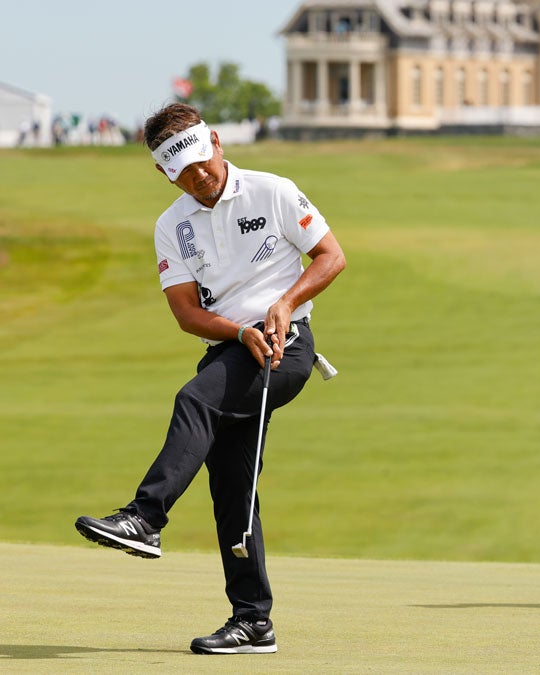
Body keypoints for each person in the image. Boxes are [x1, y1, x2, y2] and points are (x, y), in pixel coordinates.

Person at [74, 103, 346, 654]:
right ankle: (253, 622)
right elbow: (185, 313)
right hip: (231, 349)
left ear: (216, 143)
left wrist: (287, 302)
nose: (199, 178)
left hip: (283, 349)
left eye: (202, 162)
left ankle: (145, 516)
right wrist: (236, 331)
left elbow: (330, 256)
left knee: (194, 400)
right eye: (183, 172)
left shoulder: (272, 191)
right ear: (163, 173)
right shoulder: (171, 226)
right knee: (233, 489)